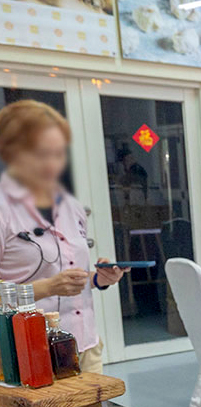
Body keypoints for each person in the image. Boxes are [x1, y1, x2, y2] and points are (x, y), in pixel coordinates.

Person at [0, 100, 126, 373]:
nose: (52, 163)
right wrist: (47, 288)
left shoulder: (71, 206)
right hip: (26, 354)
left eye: (58, 153)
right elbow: (51, 284)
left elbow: (71, 278)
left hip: (84, 347)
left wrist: (98, 279)